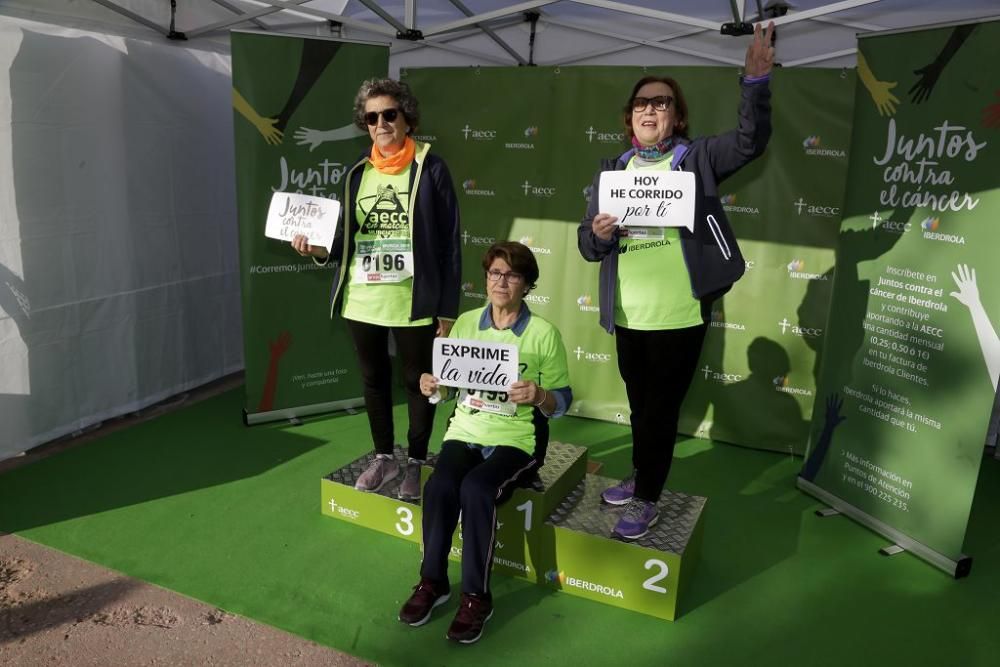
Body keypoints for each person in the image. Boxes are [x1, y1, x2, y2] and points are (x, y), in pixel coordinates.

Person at [577, 22, 775, 540]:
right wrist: (599, 235)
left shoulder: (698, 159)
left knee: (660, 412)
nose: (649, 109)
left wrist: (754, 84)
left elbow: (751, 143)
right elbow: (587, 245)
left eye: (661, 103)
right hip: (627, 314)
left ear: (676, 116)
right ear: (629, 119)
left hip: (679, 315)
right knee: (641, 407)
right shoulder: (613, 171)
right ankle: (643, 475)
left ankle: (646, 500)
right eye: (641, 103)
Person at [292, 78, 461, 500]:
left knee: (419, 381)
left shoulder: (431, 167)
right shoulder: (356, 173)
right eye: (372, 117)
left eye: (389, 114)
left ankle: (418, 462)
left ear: (406, 118)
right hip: (361, 299)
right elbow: (344, 239)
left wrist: (447, 308)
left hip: (412, 302)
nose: (381, 123)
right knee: (372, 380)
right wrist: (316, 249)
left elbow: (449, 241)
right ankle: (384, 456)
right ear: (364, 124)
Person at [398, 241, 572, 644]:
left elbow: (562, 402)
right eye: (495, 273)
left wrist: (540, 395)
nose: (501, 281)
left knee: (477, 489)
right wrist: (431, 385)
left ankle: (477, 597)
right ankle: (433, 582)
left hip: (517, 440)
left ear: (526, 284)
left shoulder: (544, 334)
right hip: (466, 431)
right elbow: (447, 386)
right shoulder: (465, 323)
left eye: (511, 275)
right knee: (440, 485)